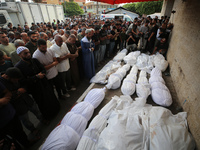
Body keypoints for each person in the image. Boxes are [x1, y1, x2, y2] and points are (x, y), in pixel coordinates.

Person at [15, 46, 60, 120]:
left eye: (29, 52)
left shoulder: (34, 60)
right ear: (19, 55)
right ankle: (48, 117)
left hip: (44, 83)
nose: (28, 54)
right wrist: (36, 77)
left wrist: (42, 73)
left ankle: (56, 110)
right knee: (42, 102)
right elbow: (22, 81)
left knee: (50, 96)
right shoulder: (18, 67)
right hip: (35, 88)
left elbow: (43, 68)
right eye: (25, 53)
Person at [0, 67, 42, 139]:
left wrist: (23, 89)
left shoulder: (15, 75)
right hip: (17, 105)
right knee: (25, 120)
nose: (17, 81)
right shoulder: (1, 83)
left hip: (26, 99)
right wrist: (17, 92)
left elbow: (24, 83)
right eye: (15, 79)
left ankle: (42, 119)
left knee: (36, 110)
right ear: (7, 77)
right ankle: (33, 129)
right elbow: (5, 98)